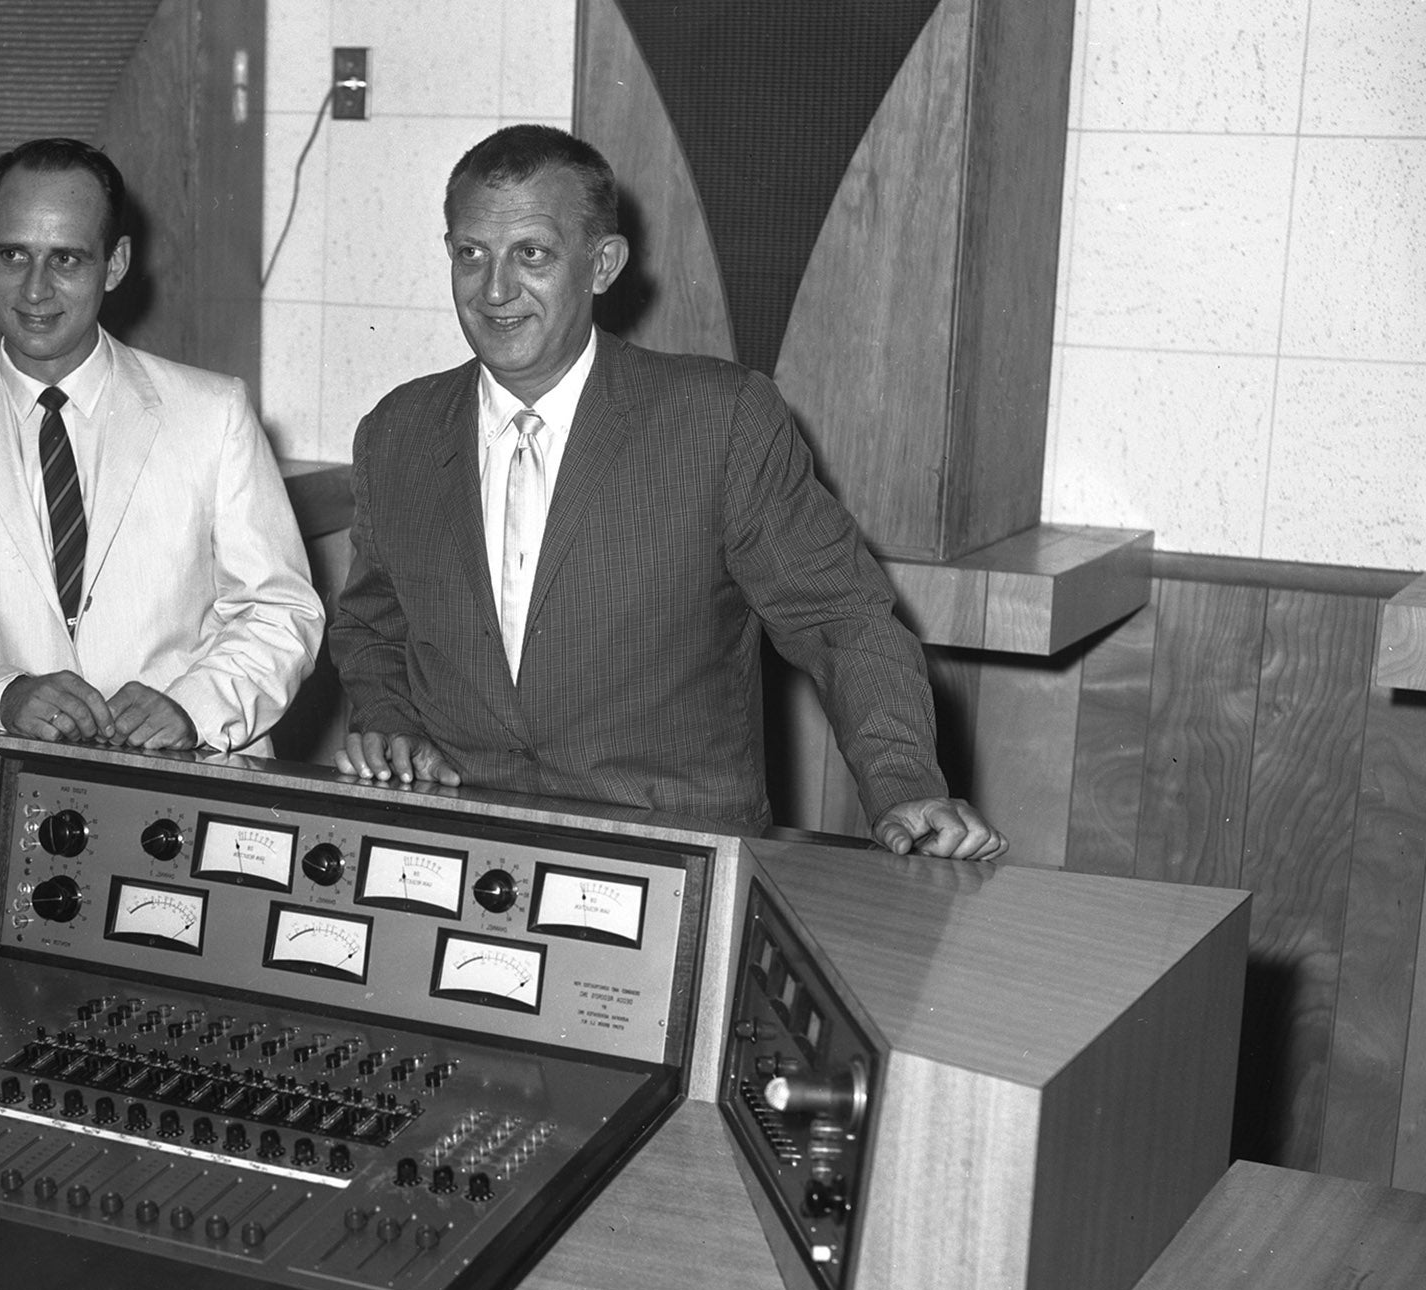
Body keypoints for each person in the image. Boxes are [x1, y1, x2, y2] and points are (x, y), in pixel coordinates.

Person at [329, 125, 1004, 859]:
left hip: (669, 861)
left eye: (532, 254)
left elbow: (840, 618)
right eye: (471, 254)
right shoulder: (396, 432)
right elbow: (373, 629)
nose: (494, 290)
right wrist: (390, 721)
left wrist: (904, 783)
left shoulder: (717, 420)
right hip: (456, 852)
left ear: (602, 264)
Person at [0, 137, 323, 752]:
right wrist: (4, 694)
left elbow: (282, 614)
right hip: (10, 781)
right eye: (12, 255)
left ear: (115, 264)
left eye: (67, 260)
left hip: (193, 778)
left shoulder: (214, 415)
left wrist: (193, 708)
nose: (34, 290)